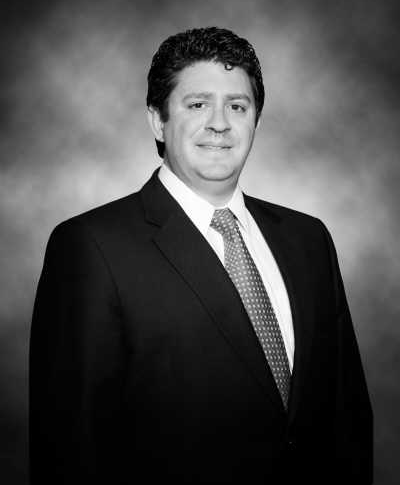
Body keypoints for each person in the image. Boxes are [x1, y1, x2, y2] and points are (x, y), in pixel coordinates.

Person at [29, 27, 373, 484]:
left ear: (255, 120)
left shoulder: (308, 240)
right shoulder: (89, 247)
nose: (220, 123)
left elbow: (347, 417)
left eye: (237, 106)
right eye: (197, 105)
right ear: (158, 120)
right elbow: (69, 446)